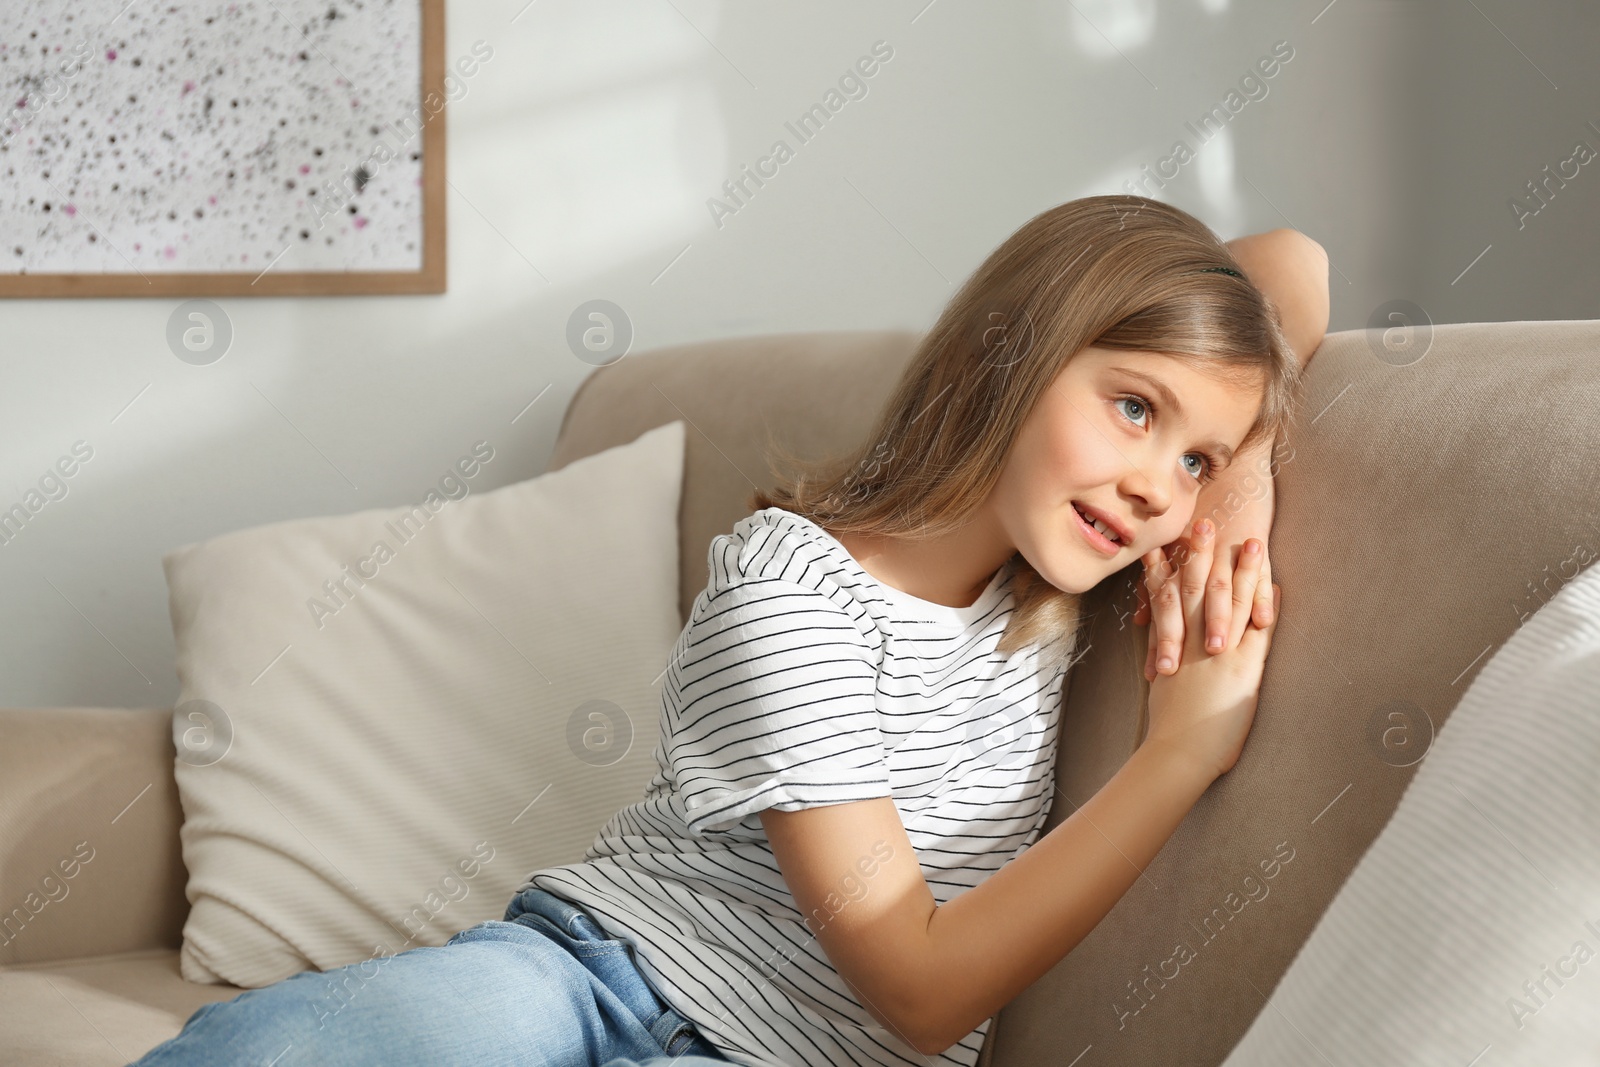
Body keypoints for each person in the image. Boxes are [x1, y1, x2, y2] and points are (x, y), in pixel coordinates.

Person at [133, 194, 1329, 1067]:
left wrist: (1247, 469)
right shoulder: (790, 590)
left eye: (1190, 458)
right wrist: (1179, 753)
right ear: (1005, 356)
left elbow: (1293, 262)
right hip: (590, 977)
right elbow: (915, 985)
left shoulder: (1052, 587)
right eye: (1132, 407)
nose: (1155, 491)